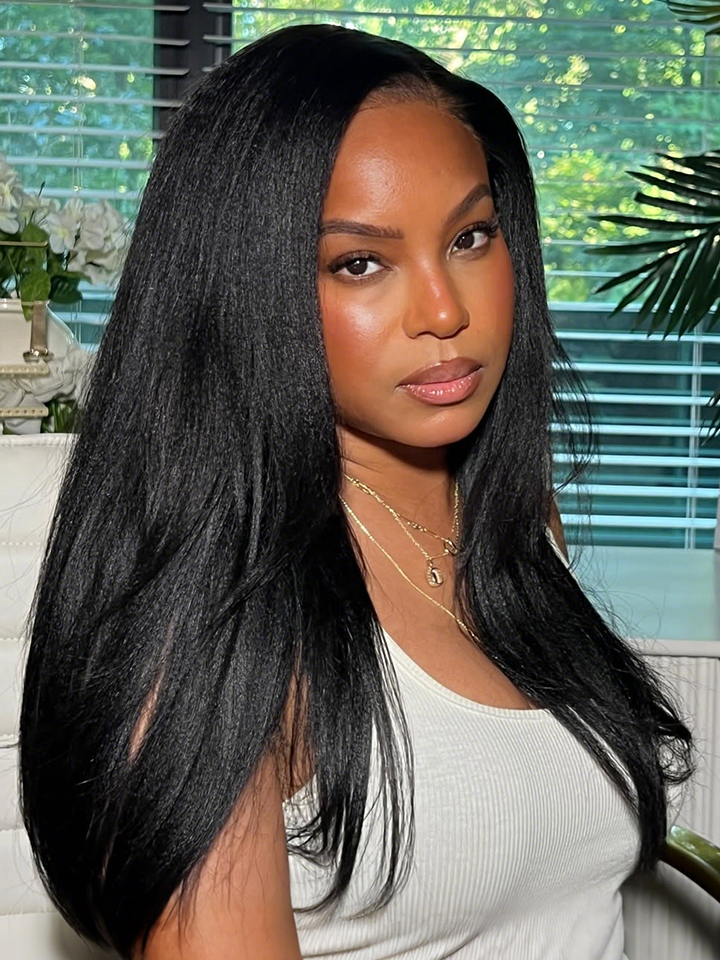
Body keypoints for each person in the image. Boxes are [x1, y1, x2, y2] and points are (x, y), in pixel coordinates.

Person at [19, 23, 692, 960]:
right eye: (360, 263)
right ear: (246, 290)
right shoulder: (213, 639)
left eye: (471, 236)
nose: (446, 311)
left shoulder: (514, 524)